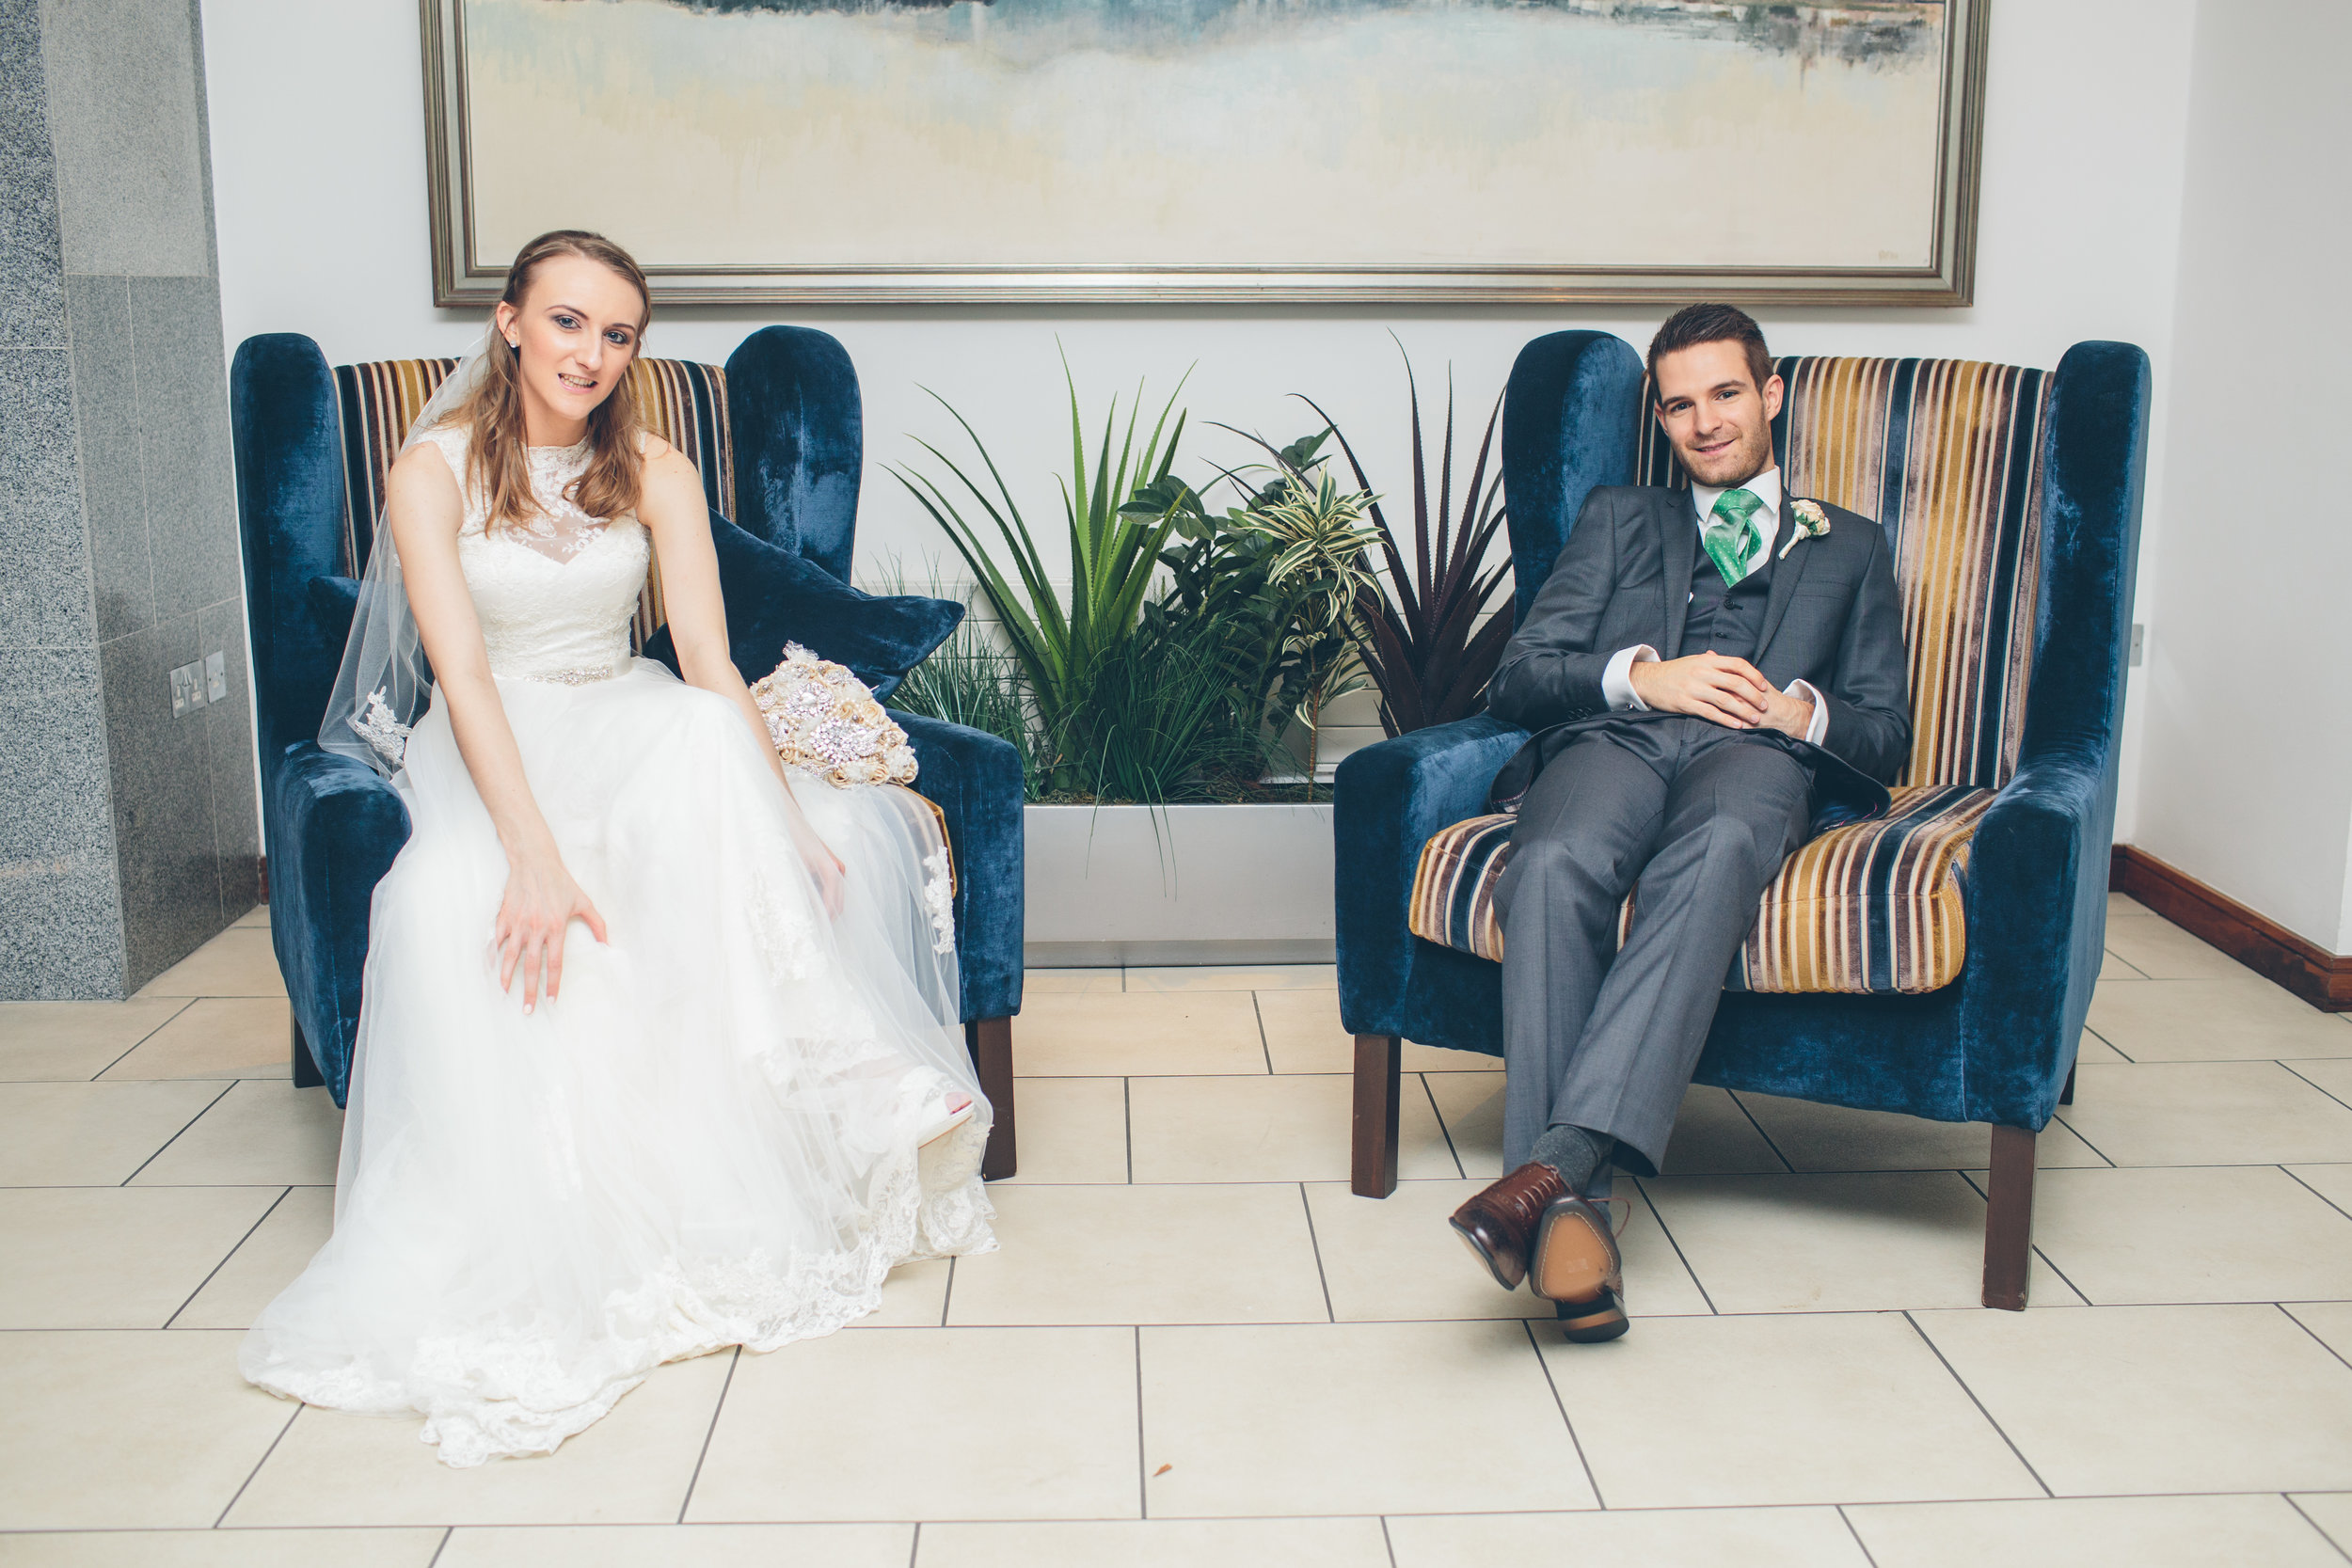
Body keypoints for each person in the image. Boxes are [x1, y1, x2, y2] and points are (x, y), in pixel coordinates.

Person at [241, 230, 994, 1465]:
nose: (593, 354)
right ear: (511, 322)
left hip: (624, 709)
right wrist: (530, 855)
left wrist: (786, 818)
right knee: (456, 894)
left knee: (707, 736)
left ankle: (835, 1070)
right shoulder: (430, 471)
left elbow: (707, 656)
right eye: (570, 323)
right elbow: (466, 672)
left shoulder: (653, 465)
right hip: (499, 732)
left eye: (619, 333)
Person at [1448, 304, 1911, 1342]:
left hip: (1754, 756)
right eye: (1680, 403)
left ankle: (1544, 1180)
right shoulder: (1620, 517)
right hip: (1617, 741)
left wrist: (1801, 711)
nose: (1705, 422)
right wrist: (1643, 676)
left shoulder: (1851, 547)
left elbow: (1885, 732)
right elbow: (1522, 677)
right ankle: (1572, 1216)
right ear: (1660, 418)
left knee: (1720, 850)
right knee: (1554, 857)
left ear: (1770, 394)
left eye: (1726, 393)